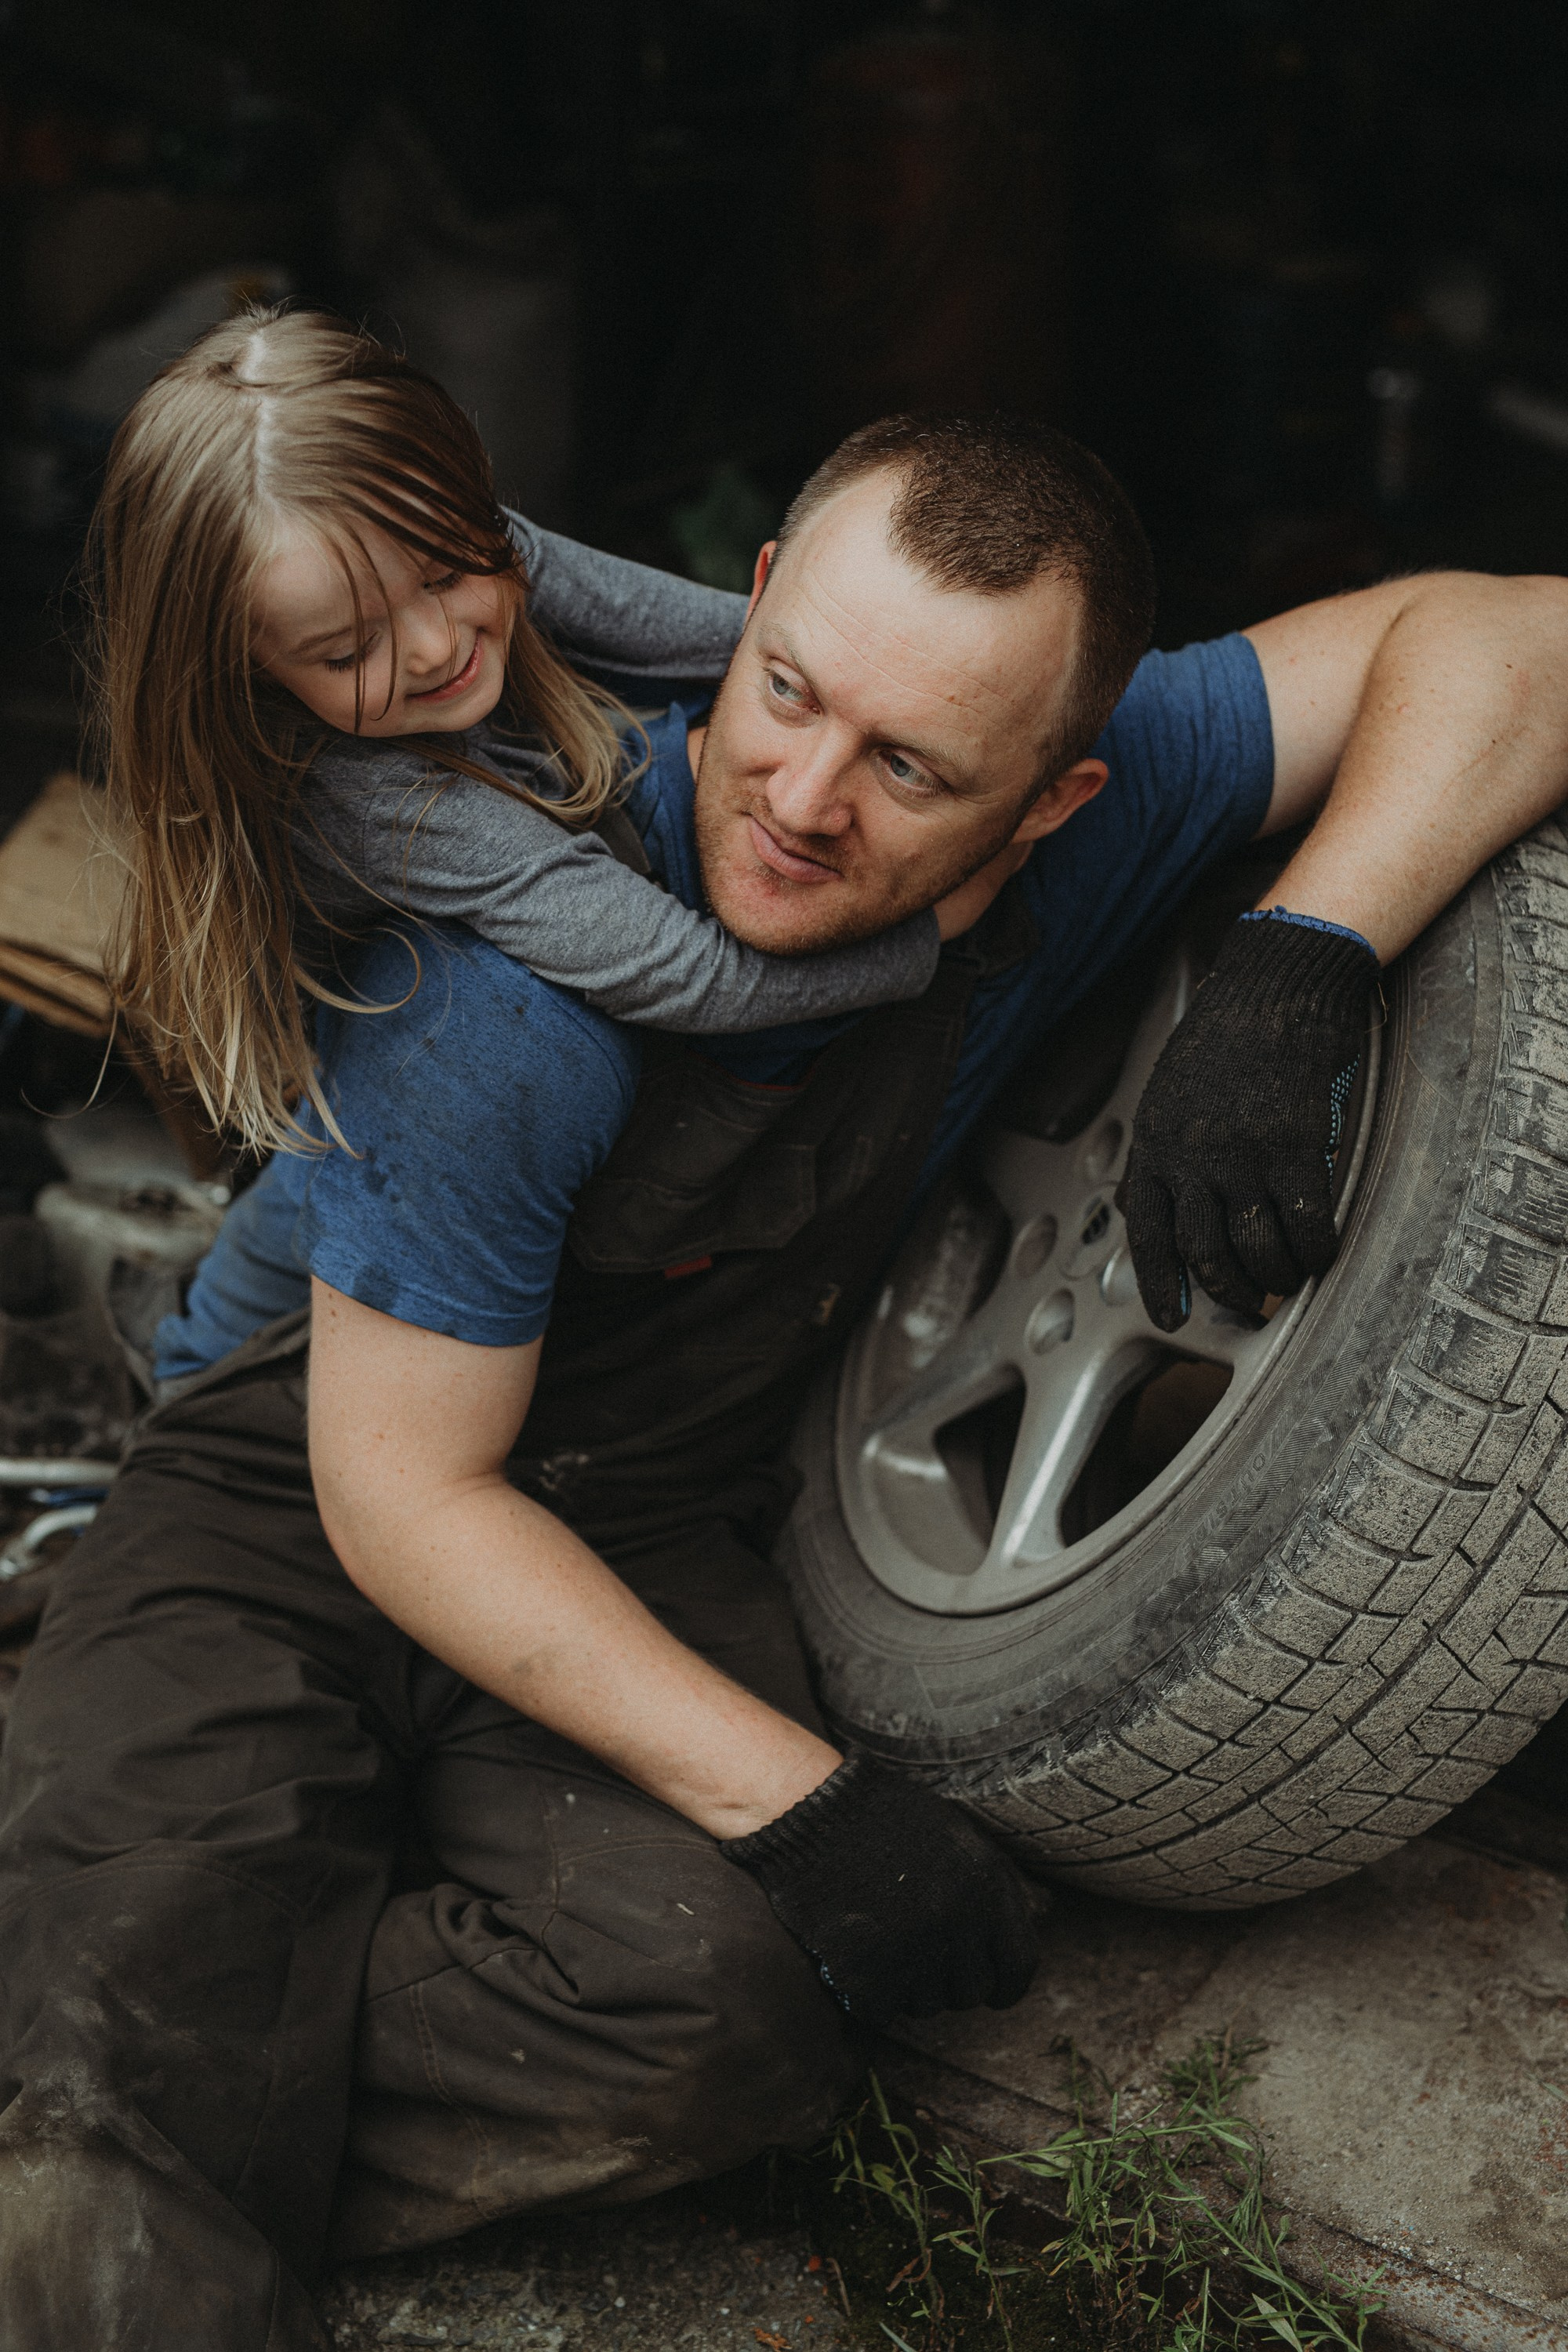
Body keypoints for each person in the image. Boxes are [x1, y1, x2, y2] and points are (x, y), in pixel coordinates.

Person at [4, 400, 1568, 2352]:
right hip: (306, 1491)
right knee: (100, 2119)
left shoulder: (1100, 800)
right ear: (744, 609)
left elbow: (1520, 630)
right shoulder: (503, 993)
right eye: (782, 693)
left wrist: (1304, 944)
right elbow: (404, 1497)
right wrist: (804, 1799)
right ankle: (130, 2082)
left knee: (727, 2019)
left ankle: (180, 2064)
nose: (801, 797)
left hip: (643, 1506)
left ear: (1057, 798)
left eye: (907, 764)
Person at [89, 309, 998, 1166]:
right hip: (348, 1086)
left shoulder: (445, 544)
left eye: (446, 575)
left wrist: (946, 691)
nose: (435, 645)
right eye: (349, 650)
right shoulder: (368, 800)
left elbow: (742, 638)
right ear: (248, 669)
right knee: (290, 1231)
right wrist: (919, 935)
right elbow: (688, 975)